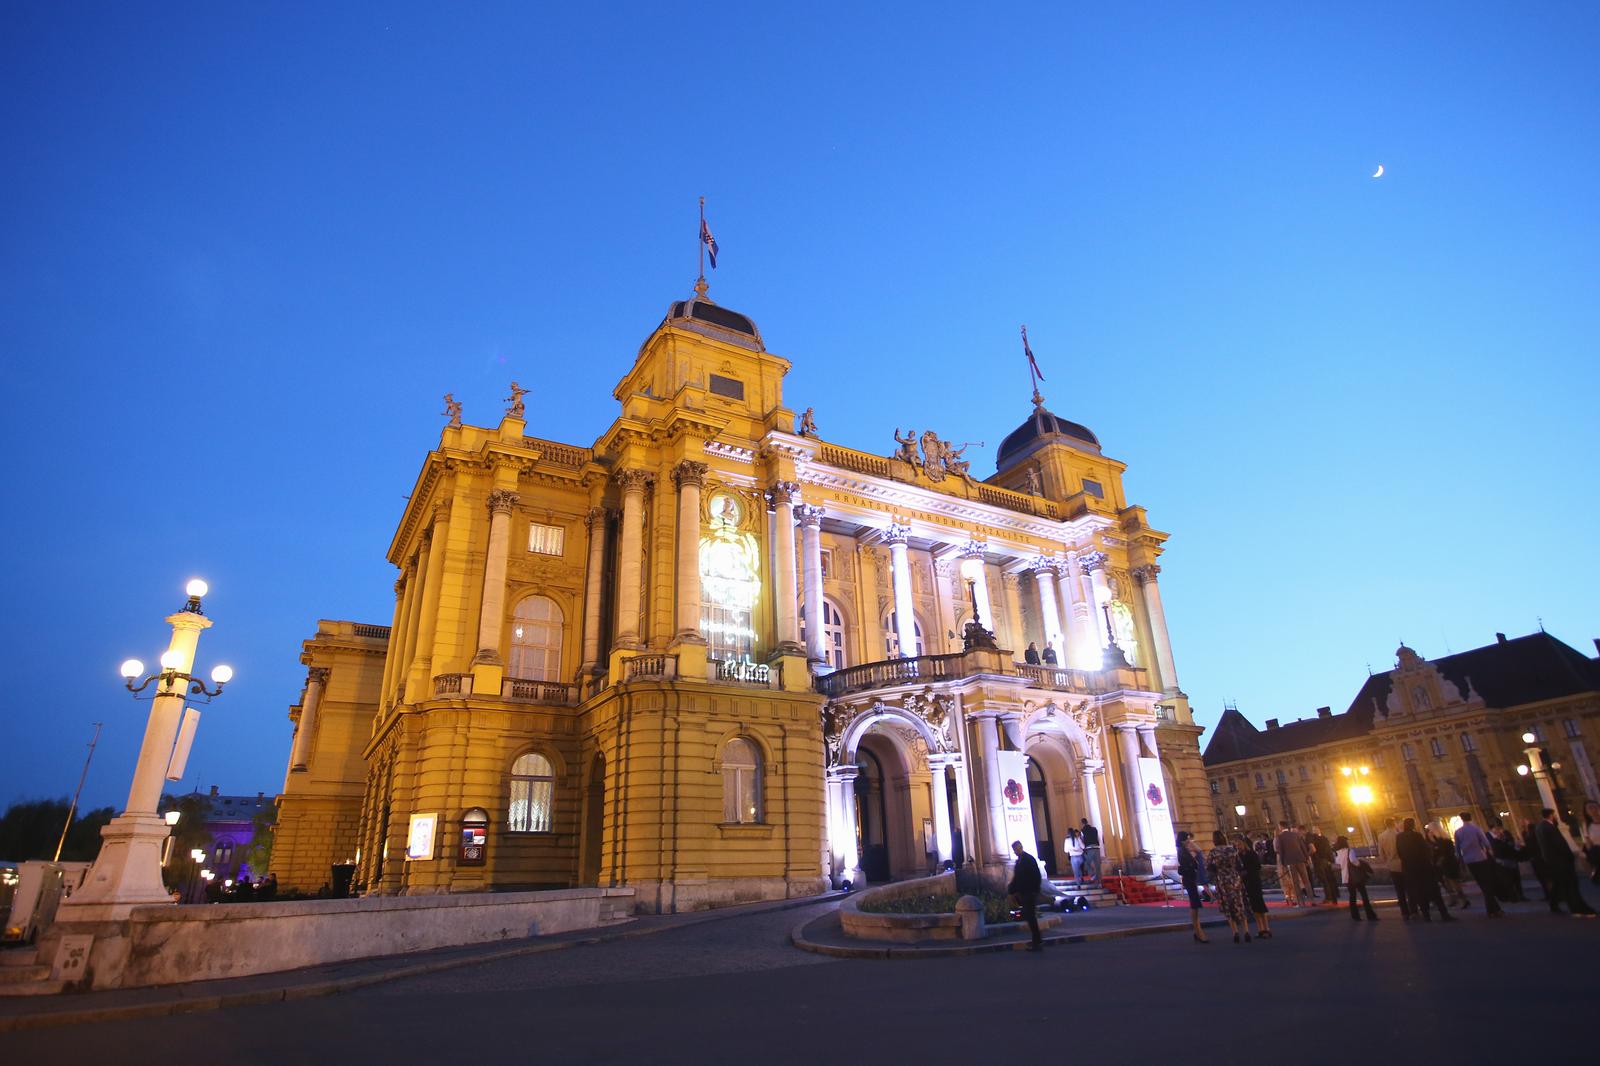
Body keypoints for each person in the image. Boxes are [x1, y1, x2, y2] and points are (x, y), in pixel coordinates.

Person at [1534, 808, 1597, 918]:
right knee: (1570, 885)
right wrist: (1569, 857)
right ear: (1551, 815)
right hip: (1561, 861)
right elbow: (1559, 844)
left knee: (1561, 884)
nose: (1556, 817)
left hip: (1552, 861)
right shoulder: (1549, 827)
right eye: (1554, 815)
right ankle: (1577, 908)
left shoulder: (1540, 827)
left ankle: (1557, 905)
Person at [1396, 818, 1454, 921]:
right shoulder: (1417, 836)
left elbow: (1399, 853)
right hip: (1423, 867)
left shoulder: (1399, 837)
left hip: (1409, 869)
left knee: (1419, 892)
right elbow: (1425, 850)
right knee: (1435, 891)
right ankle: (1444, 914)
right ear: (1413, 825)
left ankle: (1426, 915)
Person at [1452, 812, 1504, 918]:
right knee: (1487, 883)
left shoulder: (1458, 832)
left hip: (1469, 860)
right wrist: (1490, 852)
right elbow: (1486, 843)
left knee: (1482, 883)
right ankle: (1493, 910)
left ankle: (1494, 909)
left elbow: (1457, 848)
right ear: (1471, 818)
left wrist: (1461, 862)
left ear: (1461, 819)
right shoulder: (1476, 829)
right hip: (1480, 858)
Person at [1207, 831, 1250, 943]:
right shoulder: (1232, 849)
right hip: (1234, 879)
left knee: (1228, 906)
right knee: (1239, 904)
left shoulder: (1213, 852)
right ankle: (1246, 931)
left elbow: (1209, 867)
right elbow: (1240, 865)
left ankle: (1235, 932)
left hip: (1222, 880)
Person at [1007, 841, 1045, 949]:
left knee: (1031, 916)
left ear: (1021, 847)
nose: (1015, 852)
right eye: (1014, 850)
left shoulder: (1028, 859)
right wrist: (1011, 889)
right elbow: (1017, 877)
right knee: (1029, 916)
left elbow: (1035, 876)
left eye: (1017, 849)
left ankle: (1037, 941)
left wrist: (1034, 890)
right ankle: (1036, 940)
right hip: (1024, 892)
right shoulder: (1020, 860)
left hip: (1029, 892)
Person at [1234, 833, 1273, 938]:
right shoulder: (1239, 856)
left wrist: (1246, 872)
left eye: (1239, 845)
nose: (1238, 847)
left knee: (1260, 904)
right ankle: (1260, 928)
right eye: (1237, 846)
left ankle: (1266, 928)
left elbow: (1257, 866)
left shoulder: (1251, 854)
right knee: (1254, 906)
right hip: (1247, 882)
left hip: (1254, 881)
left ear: (1244, 844)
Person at [1335, 834, 1378, 921]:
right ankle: (1370, 915)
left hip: (1346, 877)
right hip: (1355, 877)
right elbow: (1353, 861)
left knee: (1352, 897)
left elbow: (1338, 863)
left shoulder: (1338, 853)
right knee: (1364, 895)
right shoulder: (1350, 851)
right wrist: (1359, 865)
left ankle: (1355, 916)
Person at [1427, 826, 1470, 908]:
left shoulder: (1443, 841)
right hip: (1443, 865)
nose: (1430, 833)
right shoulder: (1437, 841)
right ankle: (1454, 899)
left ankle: (1463, 900)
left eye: (1431, 831)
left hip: (1448, 864)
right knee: (1447, 883)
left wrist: (1440, 858)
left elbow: (1447, 852)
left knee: (1453, 882)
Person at [1177, 832, 1208, 943]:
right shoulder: (1182, 850)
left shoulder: (1183, 850)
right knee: (1194, 904)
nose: (1188, 841)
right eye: (1187, 839)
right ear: (1183, 840)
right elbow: (1191, 862)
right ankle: (1198, 931)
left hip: (1190, 878)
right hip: (1189, 878)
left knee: (1195, 905)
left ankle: (1197, 931)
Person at [1377, 817, 1411, 918]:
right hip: (1404, 864)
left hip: (1392, 866)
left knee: (1399, 890)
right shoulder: (1399, 834)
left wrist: (1387, 861)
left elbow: (1381, 853)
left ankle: (1404, 912)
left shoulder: (1381, 836)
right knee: (1409, 888)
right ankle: (1413, 909)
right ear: (1394, 824)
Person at [1274, 821, 1310, 906]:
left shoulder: (1280, 837)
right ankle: (1312, 900)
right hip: (1300, 859)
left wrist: (1282, 862)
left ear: (1281, 827)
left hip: (1290, 861)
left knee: (1295, 882)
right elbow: (1303, 847)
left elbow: (1281, 851)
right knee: (1306, 880)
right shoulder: (1295, 835)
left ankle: (1300, 902)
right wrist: (1306, 858)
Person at [1488, 823, 1526, 901]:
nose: (1499, 832)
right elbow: (1498, 851)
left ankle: (1520, 895)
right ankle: (1513, 897)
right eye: (1497, 830)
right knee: (1508, 881)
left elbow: (1511, 846)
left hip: (1510, 860)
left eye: (1499, 829)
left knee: (1516, 880)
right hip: (1503, 862)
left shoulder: (1506, 837)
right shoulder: (1494, 841)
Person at [1308, 825, 1339, 906]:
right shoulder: (1324, 838)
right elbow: (1329, 849)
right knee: (1329, 879)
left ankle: (1328, 897)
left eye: (1314, 830)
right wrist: (1331, 860)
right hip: (1326, 861)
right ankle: (1333, 897)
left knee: (1324, 880)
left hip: (1319, 861)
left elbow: (1313, 850)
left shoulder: (1313, 839)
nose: (1314, 831)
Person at [1584, 800, 1600, 888]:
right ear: (1586, 811)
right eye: (1589, 808)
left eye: (1595, 807)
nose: (1593, 810)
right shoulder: (1587, 826)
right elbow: (1588, 844)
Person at [1080, 819, 1101, 883]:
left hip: (1089, 848)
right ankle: (1099, 880)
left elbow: (1082, 840)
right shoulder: (1094, 829)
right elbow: (1098, 838)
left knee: (1087, 863)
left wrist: (1083, 848)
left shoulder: (1082, 831)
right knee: (1097, 865)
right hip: (1096, 848)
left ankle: (1092, 875)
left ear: (1082, 823)